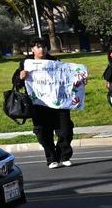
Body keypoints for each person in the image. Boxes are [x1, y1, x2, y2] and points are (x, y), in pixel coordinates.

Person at [13, 39, 74, 168]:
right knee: (43, 133)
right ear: (32, 49)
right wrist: (20, 77)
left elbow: (67, 78)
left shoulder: (55, 62)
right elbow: (15, 82)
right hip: (38, 104)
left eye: (44, 47)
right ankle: (51, 158)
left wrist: (79, 80)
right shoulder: (26, 63)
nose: (41, 50)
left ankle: (64, 156)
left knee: (65, 130)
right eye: (38, 47)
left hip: (58, 103)